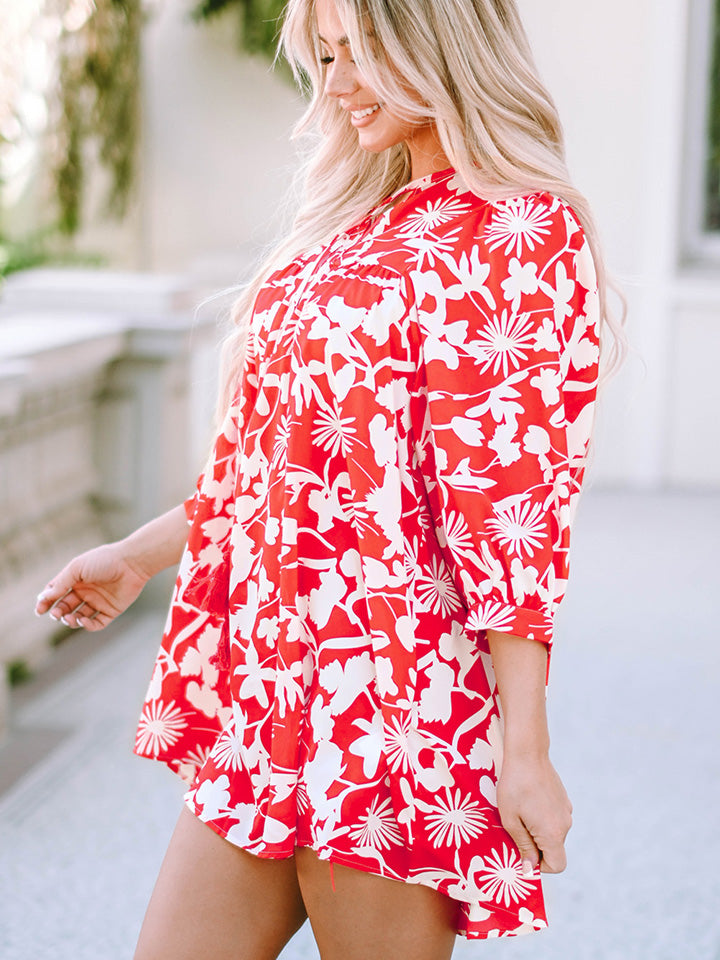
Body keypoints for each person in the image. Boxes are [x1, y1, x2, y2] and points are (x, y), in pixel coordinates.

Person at [35, 1, 623, 957]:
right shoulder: (360, 217)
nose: (336, 84)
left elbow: (509, 508)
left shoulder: (518, 231)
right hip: (268, 693)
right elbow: (289, 460)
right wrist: (141, 555)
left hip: (394, 702)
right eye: (328, 54)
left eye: (361, 53)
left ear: (438, 44)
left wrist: (527, 750)